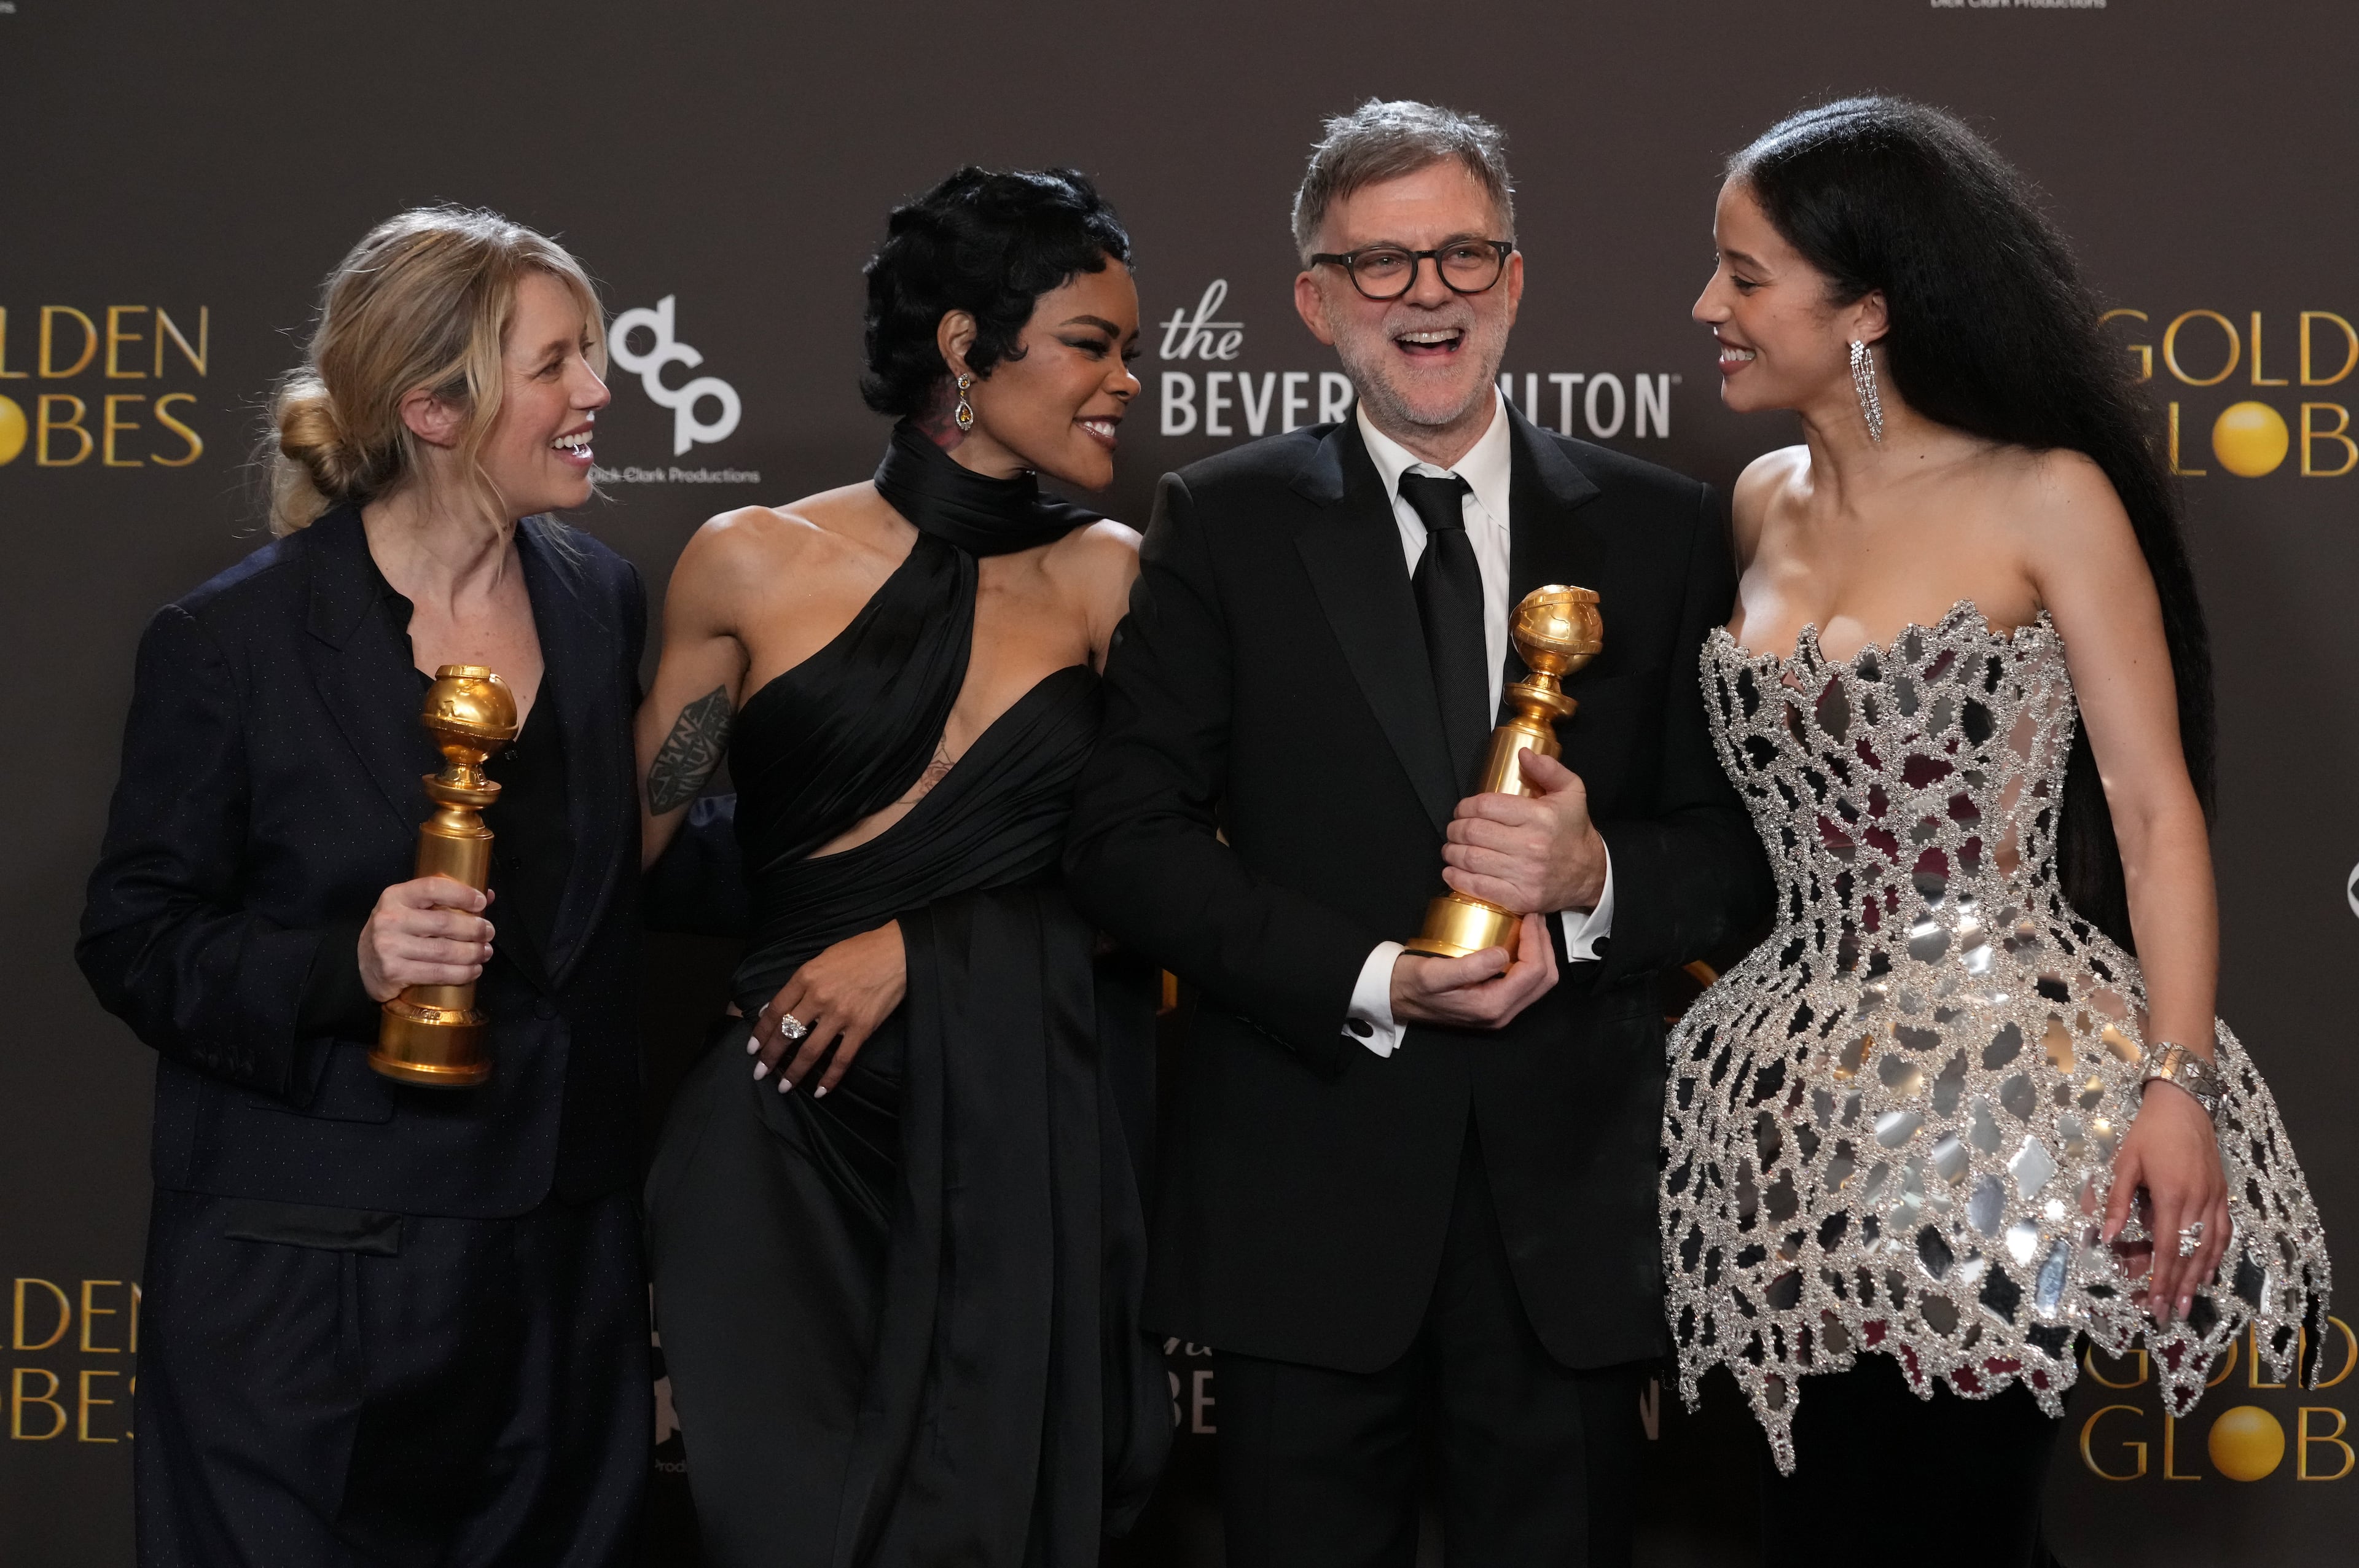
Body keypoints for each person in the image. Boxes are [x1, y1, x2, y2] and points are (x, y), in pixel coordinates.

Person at [1063, 100, 1773, 1567]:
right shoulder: (1222, 520)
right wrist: (1375, 975)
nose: (1428, 295)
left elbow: (1742, 850)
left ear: (1515, 279)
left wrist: (1597, 883)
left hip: (1570, 1218)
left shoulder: (1661, 528)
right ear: (1317, 302)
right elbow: (1126, 840)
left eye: (1462, 254)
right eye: (1381, 267)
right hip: (1305, 1207)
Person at [1662, 97, 2332, 1565]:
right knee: (1814, 1519)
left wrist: (2179, 1083)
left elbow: (2156, 818)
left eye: (1745, 273)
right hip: (1787, 1107)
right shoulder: (1761, 500)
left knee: (1958, 1516)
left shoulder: (2046, 497)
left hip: (2003, 1104)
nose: (1708, 305)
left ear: (1869, 309)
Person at [78, 208, 653, 1565]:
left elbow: (621, 869)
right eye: (559, 361)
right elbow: (134, 935)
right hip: (303, 1280)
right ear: (435, 408)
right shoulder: (231, 640)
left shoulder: (603, 599)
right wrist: (354, 961)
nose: (600, 392)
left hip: (553, 1271)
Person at [637, 167, 1167, 1568]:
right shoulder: (746, 563)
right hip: (783, 1140)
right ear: (961, 346)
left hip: (1020, 1146)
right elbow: (631, 841)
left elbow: (1170, 883)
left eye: (1132, 348)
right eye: (1092, 342)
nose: (1127, 380)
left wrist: (928, 945)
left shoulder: (1113, 581)